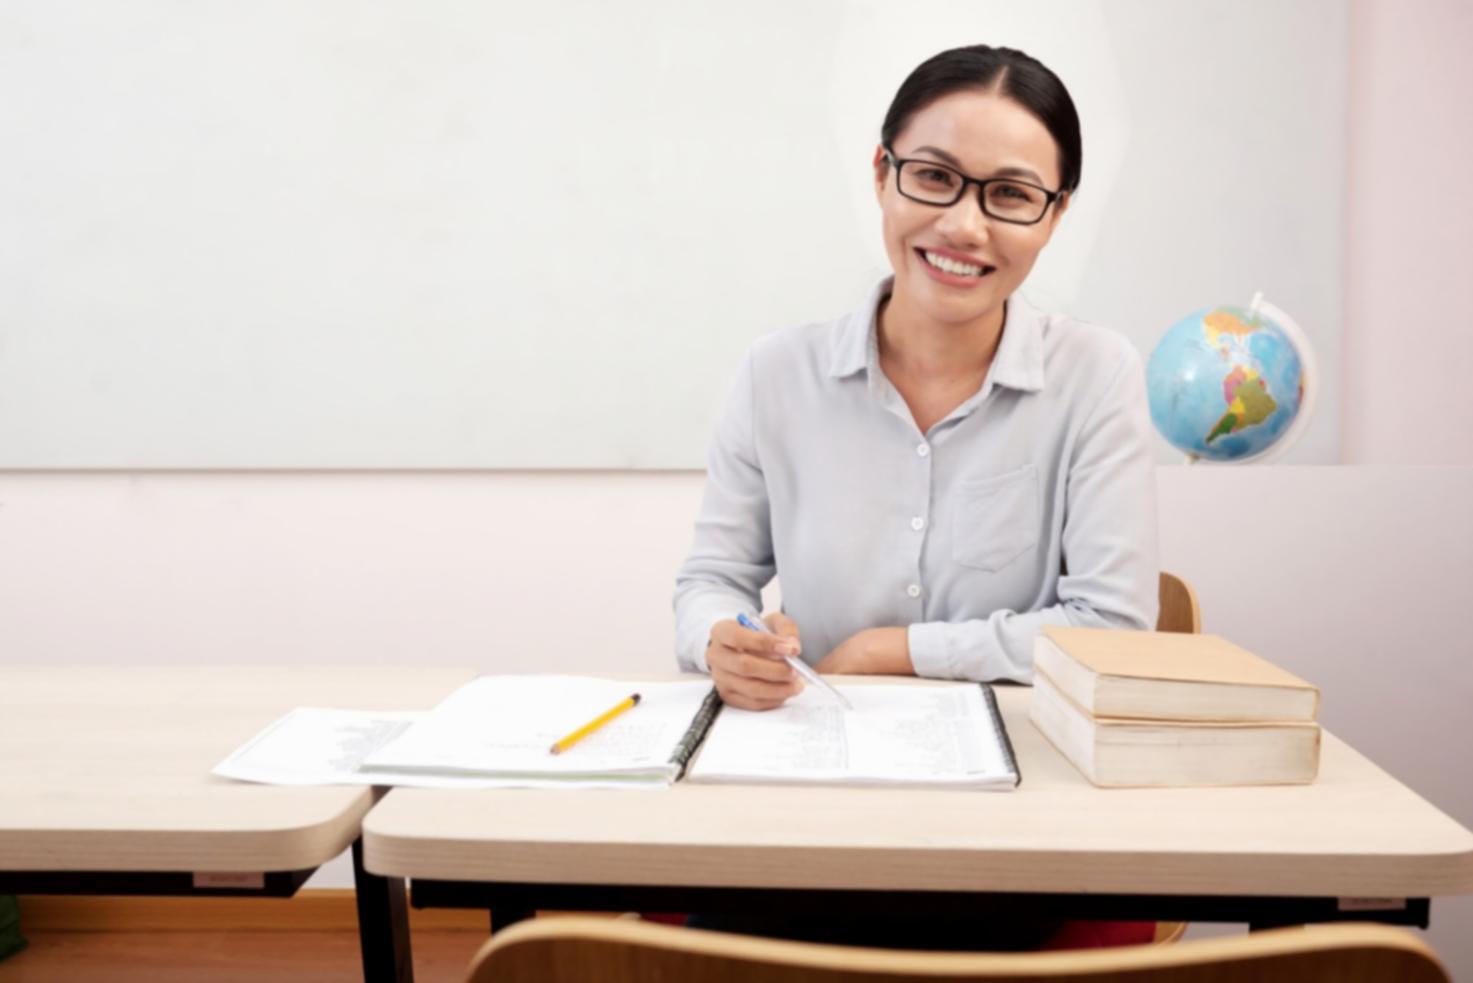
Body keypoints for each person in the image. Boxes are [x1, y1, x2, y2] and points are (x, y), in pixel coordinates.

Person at [668, 43, 1160, 950]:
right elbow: (710, 576)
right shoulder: (776, 372)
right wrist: (721, 638)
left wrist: (893, 649)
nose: (965, 225)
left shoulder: (1094, 376)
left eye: (1009, 194)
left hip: (1018, 824)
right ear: (882, 175)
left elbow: (1114, 629)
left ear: (1053, 217)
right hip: (807, 805)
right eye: (933, 177)